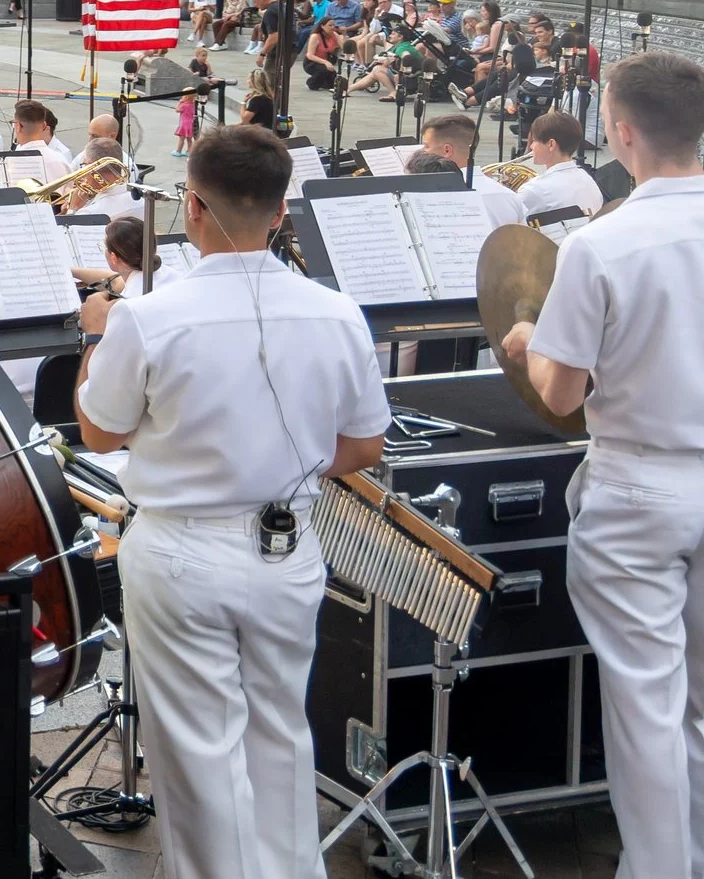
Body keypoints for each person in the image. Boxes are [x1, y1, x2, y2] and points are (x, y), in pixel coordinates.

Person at [75, 126, 389, 879]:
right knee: (281, 733)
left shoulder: (149, 315)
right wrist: (293, 464)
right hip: (289, 544)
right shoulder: (337, 311)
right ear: (281, 210)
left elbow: (102, 429)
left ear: (193, 207)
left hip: (183, 549)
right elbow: (364, 444)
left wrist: (93, 334)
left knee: (197, 754)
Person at [499, 54, 704, 879]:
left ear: (621, 134)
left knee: (646, 706)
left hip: (639, 488)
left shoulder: (603, 242)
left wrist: (525, 339)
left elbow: (560, 389)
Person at [416, 112, 527, 229]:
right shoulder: (510, 197)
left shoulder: (431, 198)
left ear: (447, 150)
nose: (422, 151)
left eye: (426, 146)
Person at [515, 109, 603, 219]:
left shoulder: (535, 189)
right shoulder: (588, 180)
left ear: (551, 144)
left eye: (535, 141)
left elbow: (509, 222)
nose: (531, 146)